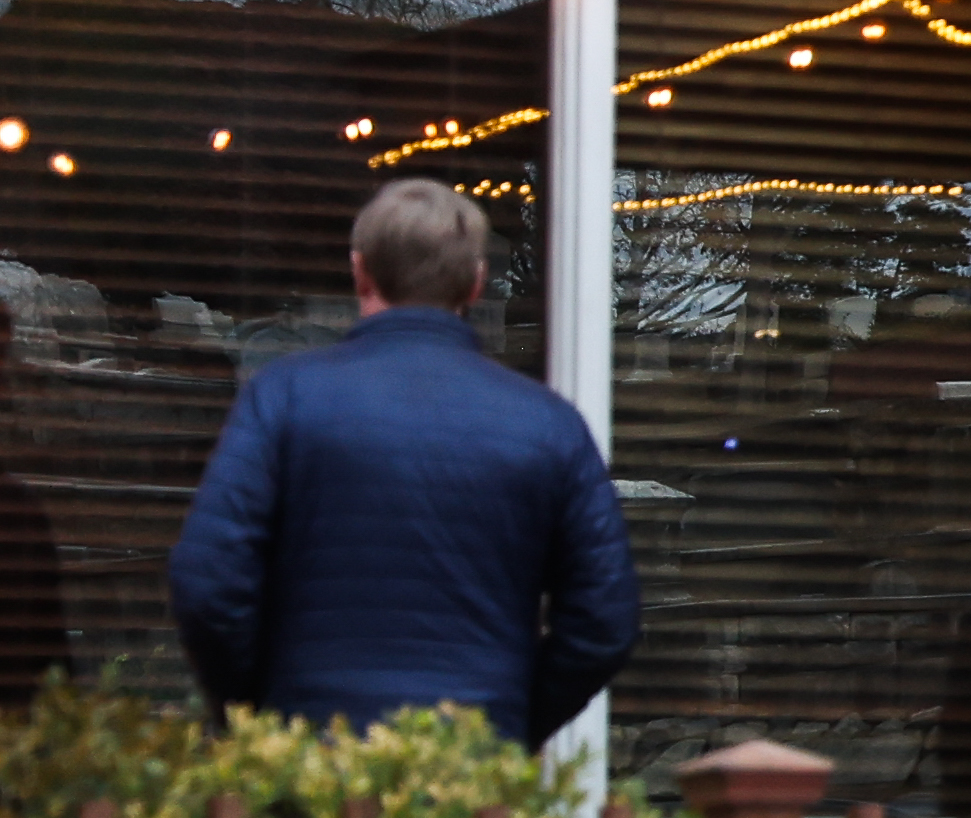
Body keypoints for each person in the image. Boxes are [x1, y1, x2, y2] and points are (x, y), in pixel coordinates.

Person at [168, 178, 637, 748]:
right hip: (471, 773)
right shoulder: (547, 425)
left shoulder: (285, 398)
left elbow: (208, 581)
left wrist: (262, 710)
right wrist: (508, 723)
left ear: (360, 271)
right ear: (476, 283)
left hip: (310, 764)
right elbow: (605, 619)